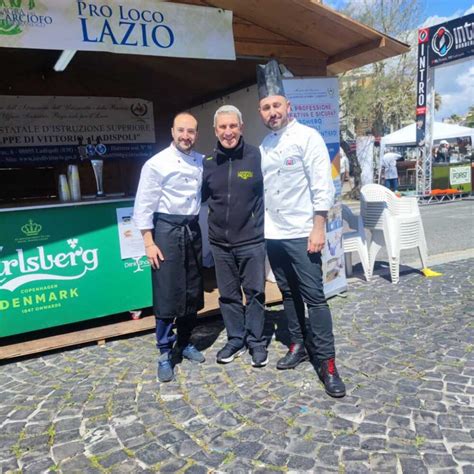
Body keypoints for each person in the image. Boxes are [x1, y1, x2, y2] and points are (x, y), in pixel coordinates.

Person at [257, 59, 345, 398]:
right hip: (273, 233)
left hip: (302, 231)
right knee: (288, 294)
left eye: (276, 105)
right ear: (261, 112)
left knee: (315, 298)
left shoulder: (308, 137)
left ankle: (328, 362)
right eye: (266, 107)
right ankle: (297, 344)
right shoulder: (265, 145)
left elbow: (323, 185)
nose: (272, 111)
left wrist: (318, 226)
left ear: (287, 106)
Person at [133, 112, 205, 383]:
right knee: (166, 292)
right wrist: (148, 242)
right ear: (172, 131)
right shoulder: (156, 163)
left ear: (196, 134)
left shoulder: (200, 161)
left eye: (191, 131)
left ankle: (184, 342)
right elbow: (143, 206)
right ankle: (164, 352)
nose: (186, 136)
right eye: (181, 131)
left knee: (191, 289)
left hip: (191, 230)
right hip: (165, 231)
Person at [202, 105, 268, 367]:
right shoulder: (207, 164)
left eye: (232, 126)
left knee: (255, 293)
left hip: (251, 240)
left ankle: (256, 341)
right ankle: (236, 339)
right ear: (215, 130)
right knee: (228, 295)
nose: (228, 132)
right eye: (222, 127)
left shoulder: (257, 157)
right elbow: (199, 199)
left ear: (241, 127)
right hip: (220, 243)